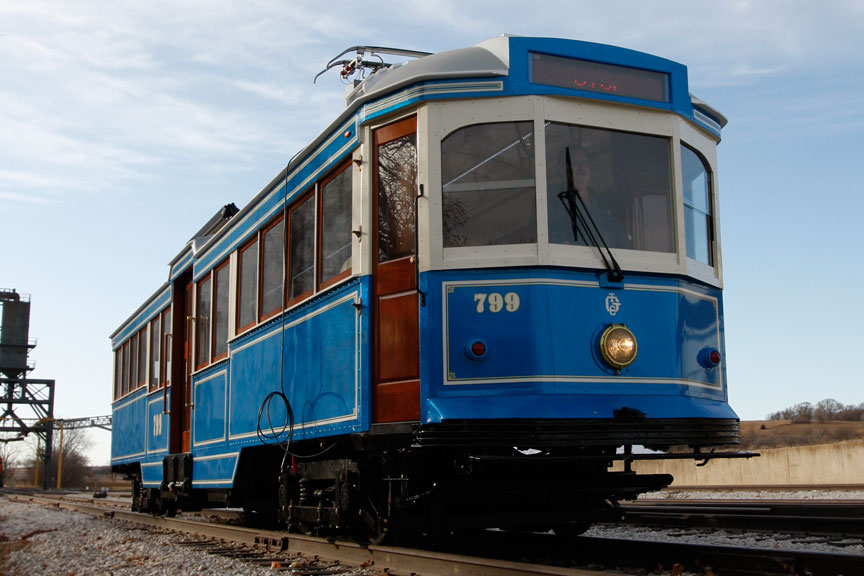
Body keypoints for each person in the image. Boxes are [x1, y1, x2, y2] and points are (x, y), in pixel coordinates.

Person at [547, 145, 631, 249]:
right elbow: (549, 235)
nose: (581, 168)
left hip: (606, 263)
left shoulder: (602, 203)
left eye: (584, 163)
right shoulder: (552, 197)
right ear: (562, 169)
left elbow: (619, 239)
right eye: (575, 163)